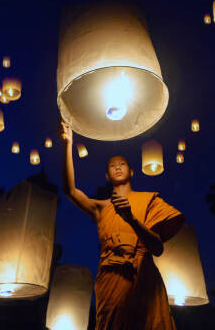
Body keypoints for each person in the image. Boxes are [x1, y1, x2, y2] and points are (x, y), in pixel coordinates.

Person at [59, 120, 185, 330]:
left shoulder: (148, 201)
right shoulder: (100, 207)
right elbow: (70, 190)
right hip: (112, 277)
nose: (117, 167)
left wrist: (131, 219)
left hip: (143, 275)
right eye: (112, 165)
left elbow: (157, 247)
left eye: (122, 164)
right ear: (107, 176)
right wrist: (68, 144)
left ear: (132, 172)